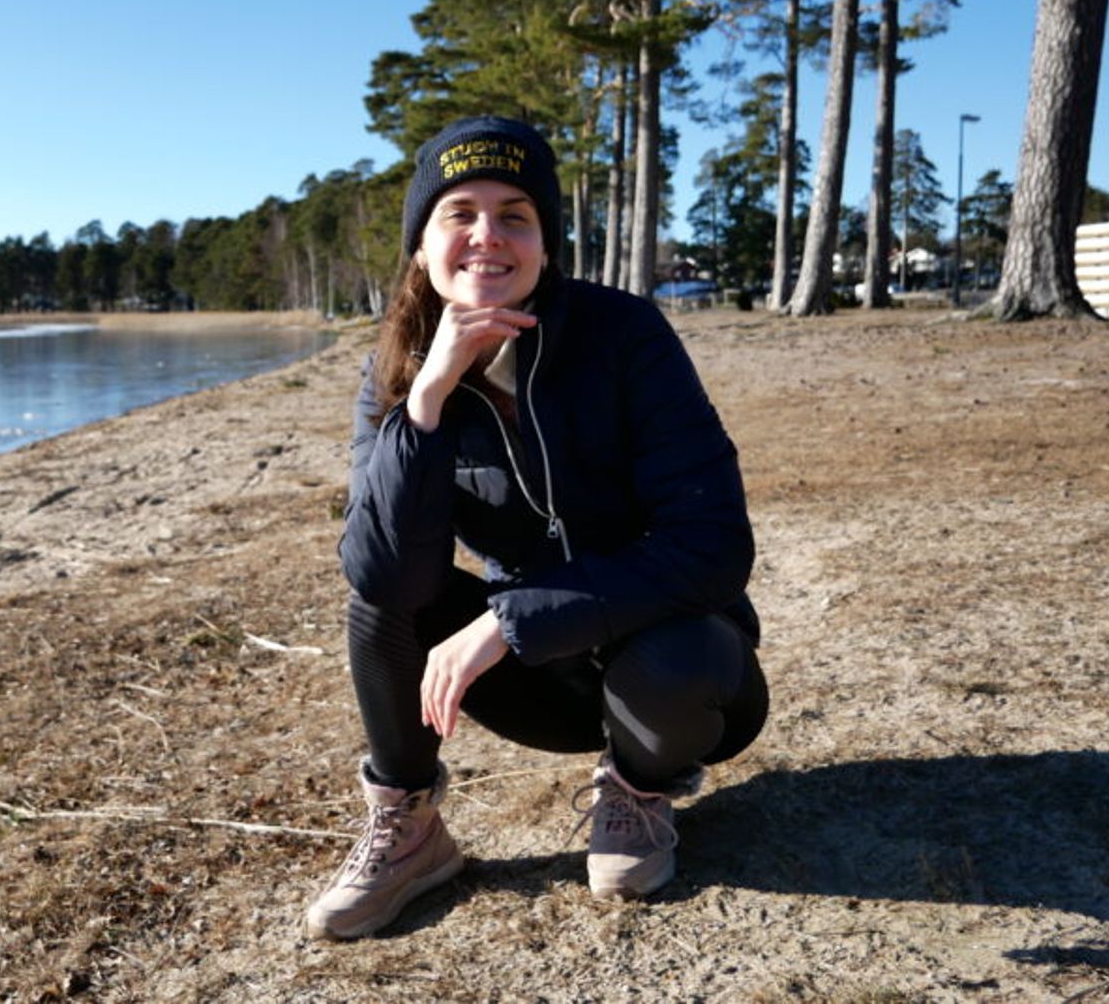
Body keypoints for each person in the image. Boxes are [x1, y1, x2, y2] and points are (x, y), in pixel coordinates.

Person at [304, 115, 768, 941]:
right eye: (461, 214)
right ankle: (408, 827)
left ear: (546, 242)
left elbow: (714, 546)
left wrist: (508, 618)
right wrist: (427, 401)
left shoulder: (626, 336)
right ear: (422, 246)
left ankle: (637, 788)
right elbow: (383, 573)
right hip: (543, 680)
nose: (489, 236)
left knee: (676, 651)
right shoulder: (396, 368)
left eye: (516, 214)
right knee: (378, 605)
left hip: (681, 667)